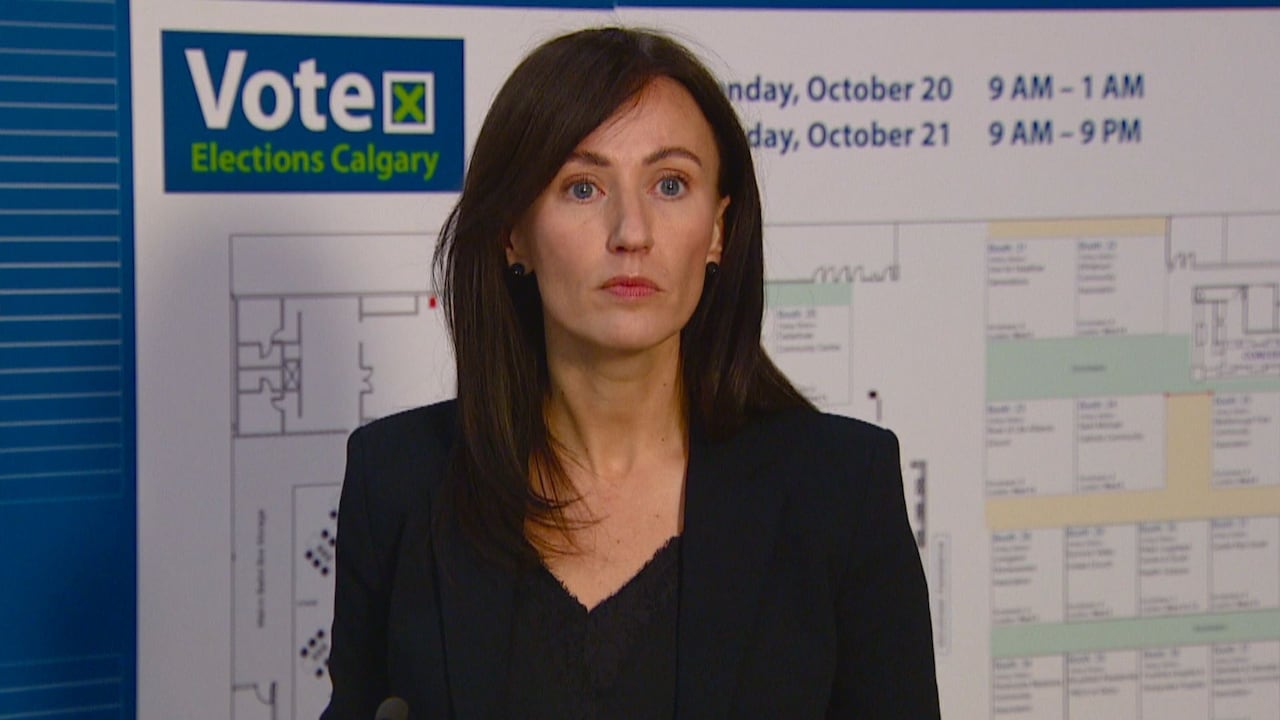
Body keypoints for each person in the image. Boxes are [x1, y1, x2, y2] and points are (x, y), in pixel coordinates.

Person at [322, 27, 939, 719]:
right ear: (512, 234)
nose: (632, 232)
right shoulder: (398, 480)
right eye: (582, 187)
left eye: (670, 184)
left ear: (717, 230)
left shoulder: (840, 489)